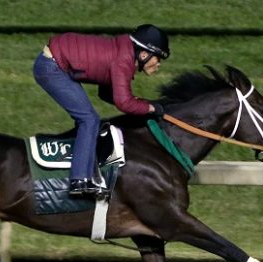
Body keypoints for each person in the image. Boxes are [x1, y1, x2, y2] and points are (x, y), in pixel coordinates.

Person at [33, 24, 170, 197]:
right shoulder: (123, 61)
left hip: (56, 62)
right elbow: (123, 103)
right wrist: (150, 107)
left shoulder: (122, 51)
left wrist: (142, 105)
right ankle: (80, 181)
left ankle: (82, 168)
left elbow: (107, 94)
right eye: (158, 58)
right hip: (52, 67)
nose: (158, 64)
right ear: (144, 54)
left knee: (89, 120)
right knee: (89, 120)